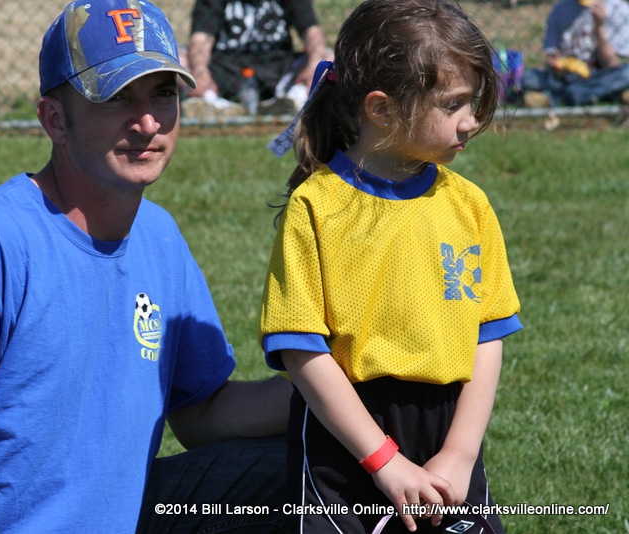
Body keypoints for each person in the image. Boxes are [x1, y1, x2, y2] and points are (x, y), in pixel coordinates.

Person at [0, 1, 291, 532]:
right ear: (54, 119)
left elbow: (202, 413)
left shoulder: (158, 236)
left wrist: (344, 391)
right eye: (117, 97)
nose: (149, 122)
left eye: (163, 93)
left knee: (316, 477)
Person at [258, 0, 523, 532]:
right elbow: (301, 349)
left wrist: (460, 455)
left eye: (473, 102)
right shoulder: (316, 207)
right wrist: (383, 461)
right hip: (345, 437)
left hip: (448, 431)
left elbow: (487, 335)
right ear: (381, 109)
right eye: (453, 104)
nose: (471, 121)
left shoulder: (469, 206)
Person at [184, 0, 332, 113]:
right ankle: (211, 103)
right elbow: (201, 38)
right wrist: (200, 72)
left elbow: (312, 33)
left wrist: (312, 67)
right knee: (180, 58)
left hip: (279, 69)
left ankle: (293, 100)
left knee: (328, 58)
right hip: (224, 69)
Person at [523, 0, 629, 107]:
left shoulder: (618, 9)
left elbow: (612, 65)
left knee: (626, 74)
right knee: (529, 77)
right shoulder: (560, 8)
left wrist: (599, 27)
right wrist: (556, 65)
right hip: (566, 78)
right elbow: (551, 56)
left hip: (600, 77)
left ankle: (558, 98)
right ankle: (605, 95)